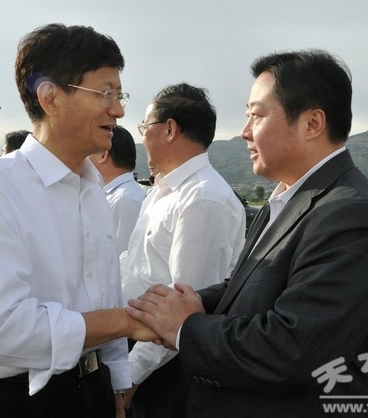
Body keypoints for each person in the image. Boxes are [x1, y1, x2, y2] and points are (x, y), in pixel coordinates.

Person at [127, 50, 368, 418]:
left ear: (312, 123)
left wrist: (186, 327)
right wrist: (190, 303)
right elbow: (245, 288)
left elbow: (292, 348)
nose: (244, 132)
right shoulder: (287, 199)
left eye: (257, 116)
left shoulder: (352, 216)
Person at [0, 24, 156, 418]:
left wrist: (118, 387)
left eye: (119, 95)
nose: (119, 110)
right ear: (50, 97)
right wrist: (122, 322)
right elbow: (0, 333)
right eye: (105, 93)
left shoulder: (91, 188)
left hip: (94, 389)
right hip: (21, 400)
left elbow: (105, 290)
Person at [121, 83, 246, 418]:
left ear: (170, 129)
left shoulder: (203, 198)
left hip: (165, 364)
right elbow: (136, 266)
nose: (143, 137)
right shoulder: (163, 191)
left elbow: (184, 309)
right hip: (141, 347)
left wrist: (131, 376)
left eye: (145, 127)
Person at [89, 125, 146, 255]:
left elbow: (122, 256)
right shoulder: (120, 195)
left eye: (88, 152)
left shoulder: (127, 199)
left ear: (103, 155)